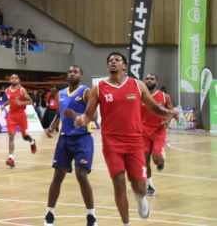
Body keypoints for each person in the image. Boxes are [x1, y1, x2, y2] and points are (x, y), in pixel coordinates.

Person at [74, 52, 178, 225]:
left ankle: (140, 198)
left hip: (135, 141)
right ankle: (126, 223)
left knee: (140, 187)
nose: (113, 62)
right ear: (108, 67)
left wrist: (169, 112)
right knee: (119, 182)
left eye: (117, 60)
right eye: (110, 61)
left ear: (124, 66)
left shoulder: (137, 85)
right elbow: (88, 115)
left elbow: (154, 108)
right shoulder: (98, 88)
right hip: (111, 141)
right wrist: (81, 120)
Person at [44, 66, 97, 226]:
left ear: (81, 76)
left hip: (83, 139)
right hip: (64, 139)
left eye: (75, 72)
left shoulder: (86, 92)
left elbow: (94, 116)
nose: (72, 74)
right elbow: (59, 116)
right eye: (70, 72)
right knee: (57, 176)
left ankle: (91, 216)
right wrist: (52, 127)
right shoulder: (60, 93)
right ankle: (49, 214)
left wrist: (76, 115)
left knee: (81, 175)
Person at [141, 73, 173, 196]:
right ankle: (150, 185)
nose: (149, 80)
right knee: (145, 159)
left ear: (157, 82)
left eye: (152, 79)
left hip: (159, 130)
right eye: (147, 79)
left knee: (156, 159)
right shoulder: (140, 96)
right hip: (144, 131)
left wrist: (168, 121)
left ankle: (161, 161)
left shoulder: (164, 96)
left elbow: (171, 111)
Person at [0, 74, 37, 167]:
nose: (14, 79)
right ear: (10, 80)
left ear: (19, 80)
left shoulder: (22, 90)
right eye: (12, 78)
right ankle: (11, 158)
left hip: (21, 115)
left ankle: (32, 141)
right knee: (11, 136)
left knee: (25, 136)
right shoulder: (7, 90)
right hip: (11, 115)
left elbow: (31, 101)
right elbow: (10, 100)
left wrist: (20, 103)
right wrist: (4, 105)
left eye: (16, 78)